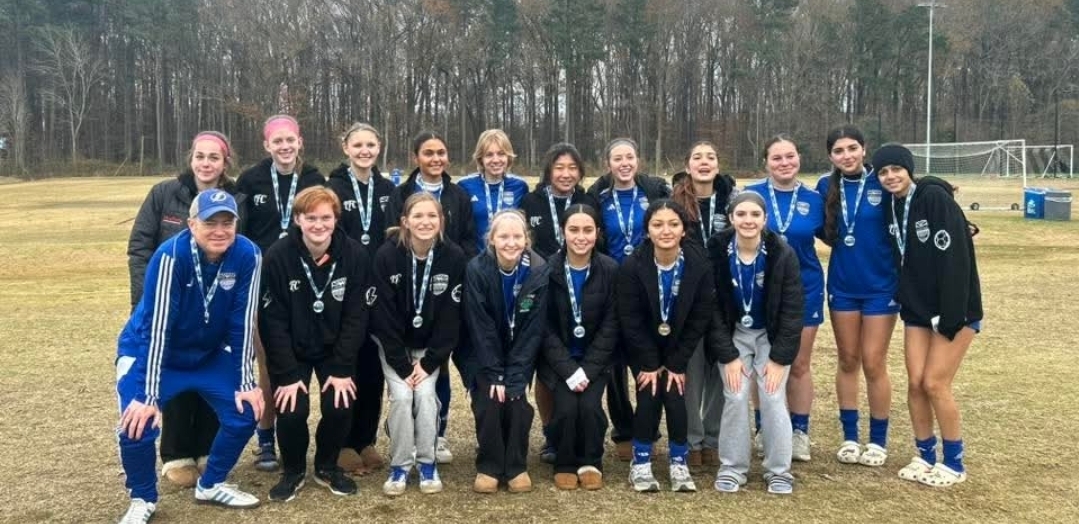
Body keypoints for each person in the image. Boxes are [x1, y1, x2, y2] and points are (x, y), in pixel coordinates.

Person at [115, 189, 264, 523]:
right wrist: (148, 395)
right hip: (152, 352)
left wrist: (246, 382)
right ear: (192, 224)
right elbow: (157, 329)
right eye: (211, 223)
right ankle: (142, 498)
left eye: (227, 222)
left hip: (206, 354)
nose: (220, 231)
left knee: (246, 409)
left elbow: (242, 321)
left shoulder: (249, 254)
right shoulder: (171, 256)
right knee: (137, 422)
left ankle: (211, 484)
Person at [126, 131, 244, 488]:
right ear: (191, 158)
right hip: (169, 301)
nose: (206, 163)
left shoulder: (237, 198)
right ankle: (176, 454)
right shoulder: (165, 193)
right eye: (200, 156)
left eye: (214, 157)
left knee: (212, 374)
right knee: (172, 375)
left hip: (214, 302)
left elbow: (239, 249)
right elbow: (140, 247)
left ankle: (206, 449)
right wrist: (145, 300)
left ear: (225, 162)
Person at [872, 144, 983, 487]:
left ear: (909, 169)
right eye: (883, 172)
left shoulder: (933, 197)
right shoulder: (892, 204)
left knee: (935, 383)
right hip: (917, 311)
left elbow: (957, 259)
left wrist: (951, 315)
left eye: (896, 169)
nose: (891, 176)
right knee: (916, 382)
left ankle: (954, 463)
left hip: (954, 310)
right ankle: (924, 454)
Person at [259, 187, 371, 501]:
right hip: (292, 350)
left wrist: (342, 367)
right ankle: (293, 471)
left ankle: (326, 466)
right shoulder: (278, 256)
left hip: (334, 349)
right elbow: (272, 320)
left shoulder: (354, 255)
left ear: (335, 219)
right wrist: (287, 373)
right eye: (311, 218)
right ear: (297, 219)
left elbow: (356, 315)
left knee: (340, 403)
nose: (318, 225)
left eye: (325, 217)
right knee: (291, 408)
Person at [237, 114, 325, 471]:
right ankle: (266, 439)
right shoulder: (251, 179)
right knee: (268, 364)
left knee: (309, 359)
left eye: (290, 140)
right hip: (265, 282)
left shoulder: (313, 178)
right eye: (278, 141)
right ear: (267, 145)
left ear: (299, 141)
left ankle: (319, 438)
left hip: (306, 282)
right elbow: (239, 233)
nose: (285, 146)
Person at [386, 130, 478, 465]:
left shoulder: (458, 194)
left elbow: (468, 239)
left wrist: (452, 267)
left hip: (444, 286)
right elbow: (392, 238)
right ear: (416, 157)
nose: (436, 158)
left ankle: (437, 435)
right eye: (428, 152)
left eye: (441, 152)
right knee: (405, 379)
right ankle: (406, 435)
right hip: (408, 290)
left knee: (438, 368)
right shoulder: (401, 193)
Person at [370, 192, 467, 496]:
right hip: (395, 347)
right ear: (405, 222)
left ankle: (427, 462)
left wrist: (428, 363)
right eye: (418, 216)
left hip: (429, 348)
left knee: (424, 396)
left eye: (432, 216)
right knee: (401, 397)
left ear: (441, 221)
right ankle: (400, 465)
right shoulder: (387, 255)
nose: (425, 222)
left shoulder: (453, 256)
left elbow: (452, 317)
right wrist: (402, 365)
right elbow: (382, 316)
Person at [707, 191, 804, 495]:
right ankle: (732, 468)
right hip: (734, 333)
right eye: (741, 214)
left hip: (769, 335)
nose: (748, 220)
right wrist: (728, 355)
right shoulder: (716, 251)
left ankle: (779, 471)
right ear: (731, 218)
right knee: (735, 394)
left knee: (772, 395)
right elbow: (711, 310)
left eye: (754, 215)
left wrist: (779, 358)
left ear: (765, 219)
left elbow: (792, 310)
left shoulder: (782, 253)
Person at [617, 200, 715, 493]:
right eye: (657, 224)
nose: (666, 231)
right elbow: (630, 318)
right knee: (649, 392)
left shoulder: (699, 265)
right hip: (642, 344)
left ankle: (679, 461)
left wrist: (675, 363)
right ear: (647, 230)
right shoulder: (632, 265)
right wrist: (649, 363)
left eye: (673, 224)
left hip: (679, 344)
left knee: (675, 393)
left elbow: (700, 317)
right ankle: (641, 462)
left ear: (684, 230)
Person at [815, 125, 897, 467]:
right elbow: (820, 228)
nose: (846, 155)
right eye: (839, 150)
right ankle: (850, 437)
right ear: (830, 156)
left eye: (852, 148)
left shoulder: (884, 180)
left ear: (864, 149)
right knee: (848, 360)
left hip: (881, 286)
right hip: (843, 286)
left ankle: (877, 441)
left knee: (874, 362)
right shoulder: (824, 186)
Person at [588, 138, 671, 461]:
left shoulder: (654, 191)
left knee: (648, 358)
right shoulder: (598, 197)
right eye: (617, 158)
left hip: (646, 284)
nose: (624, 163)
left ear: (638, 160)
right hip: (612, 285)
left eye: (629, 157)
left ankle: (648, 430)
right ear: (608, 164)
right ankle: (623, 429)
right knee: (614, 365)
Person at [744, 135, 825, 462]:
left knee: (799, 363)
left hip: (805, 287)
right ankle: (763, 428)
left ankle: (799, 432)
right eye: (776, 158)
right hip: (760, 288)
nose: (784, 163)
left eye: (790, 156)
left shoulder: (815, 199)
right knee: (761, 365)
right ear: (766, 163)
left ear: (799, 158)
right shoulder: (751, 195)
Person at [519, 142, 600, 462]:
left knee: (581, 358)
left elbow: (598, 241)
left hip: (581, 284)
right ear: (548, 170)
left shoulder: (588, 200)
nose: (566, 174)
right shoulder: (531, 201)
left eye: (572, 168)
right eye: (559, 167)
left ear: (580, 172)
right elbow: (524, 245)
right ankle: (551, 434)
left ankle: (579, 430)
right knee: (547, 368)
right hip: (546, 283)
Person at [325, 123, 396, 476]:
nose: (365, 151)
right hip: (347, 290)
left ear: (379, 147)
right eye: (358, 145)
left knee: (372, 368)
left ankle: (366, 439)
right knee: (347, 362)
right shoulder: (334, 188)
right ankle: (342, 442)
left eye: (370, 144)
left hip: (379, 290)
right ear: (346, 148)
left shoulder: (388, 189)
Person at [463, 210, 550, 493]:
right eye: (503, 236)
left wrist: (515, 375)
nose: (510, 243)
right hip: (482, 353)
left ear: (526, 239)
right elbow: (480, 327)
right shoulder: (477, 268)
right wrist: (496, 374)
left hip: (520, 351)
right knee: (489, 400)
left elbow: (533, 330)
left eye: (517, 236)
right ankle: (489, 465)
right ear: (491, 239)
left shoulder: (538, 269)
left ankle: (515, 465)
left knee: (516, 401)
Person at [538, 204, 618, 490]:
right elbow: (543, 327)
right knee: (566, 409)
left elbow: (612, 324)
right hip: (559, 361)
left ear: (597, 233)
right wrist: (568, 369)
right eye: (573, 230)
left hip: (595, 361)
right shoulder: (546, 270)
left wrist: (588, 369)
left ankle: (591, 461)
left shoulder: (610, 270)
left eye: (587, 230)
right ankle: (564, 462)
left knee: (590, 407)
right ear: (563, 232)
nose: (580, 237)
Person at [669, 141, 736, 468]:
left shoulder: (733, 200)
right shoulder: (675, 203)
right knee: (691, 370)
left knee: (721, 371)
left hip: (726, 297)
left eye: (711, 157)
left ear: (718, 165)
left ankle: (713, 438)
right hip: (689, 297)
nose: (704, 162)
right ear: (688, 165)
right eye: (697, 157)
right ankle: (692, 439)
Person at [457, 129, 529, 253]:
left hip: (510, 256)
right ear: (481, 158)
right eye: (489, 155)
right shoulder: (465, 185)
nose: (495, 160)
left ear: (508, 157)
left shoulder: (520, 186)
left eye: (501, 154)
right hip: (476, 259)